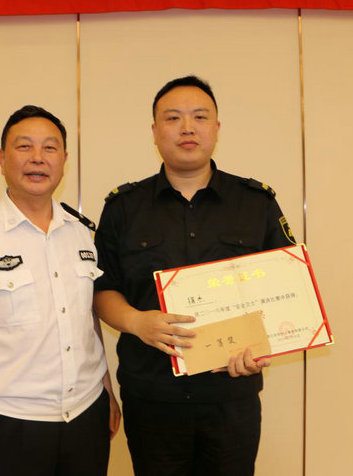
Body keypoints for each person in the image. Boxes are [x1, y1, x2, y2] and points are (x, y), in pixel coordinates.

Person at [93, 76, 297, 476]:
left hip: (231, 396)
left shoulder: (256, 203)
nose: (187, 128)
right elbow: (102, 289)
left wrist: (263, 347)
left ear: (216, 128)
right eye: (173, 118)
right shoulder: (123, 208)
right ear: (155, 132)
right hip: (152, 398)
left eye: (199, 117)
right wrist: (136, 321)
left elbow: (289, 289)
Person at [0, 105, 120, 476]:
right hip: (12, 425)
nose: (37, 158)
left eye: (50, 148)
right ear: (2, 159)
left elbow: (87, 320)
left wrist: (106, 389)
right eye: (24, 146)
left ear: (64, 160)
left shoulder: (83, 233)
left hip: (87, 415)